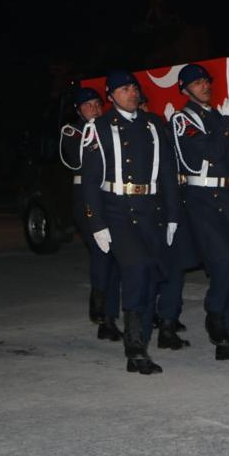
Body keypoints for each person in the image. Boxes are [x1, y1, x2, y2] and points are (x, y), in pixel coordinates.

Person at [80, 70, 181, 375]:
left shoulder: (153, 125)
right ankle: (135, 348)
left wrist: (174, 215)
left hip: (149, 209)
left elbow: (167, 174)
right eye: (123, 89)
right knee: (136, 268)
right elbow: (90, 181)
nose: (131, 93)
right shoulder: (98, 128)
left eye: (134, 88)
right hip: (117, 210)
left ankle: (141, 339)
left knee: (150, 275)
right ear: (110, 96)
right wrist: (95, 222)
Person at [170, 63, 229, 361]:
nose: (204, 86)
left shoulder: (222, 116)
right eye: (196, 83)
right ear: (184, 90)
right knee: (223, 261)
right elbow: (211, 152)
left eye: (206, 81)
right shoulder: (183, 120)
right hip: (203, 197)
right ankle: (217, 324)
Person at [59, 87, 122, 342]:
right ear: (78, 110)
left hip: (108, 195)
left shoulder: (109, 128)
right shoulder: (73, 132)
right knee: (101, 250)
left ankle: (107, 319)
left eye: (97, 103)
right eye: (87, 105)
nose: (94, 108)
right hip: (85, 196)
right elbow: (77, 162)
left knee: (115, 256)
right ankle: (98, 300)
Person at [138, 91, 194, 351]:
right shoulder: (124, 135)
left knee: (174, 271)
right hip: (145, 211)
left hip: (171, 209)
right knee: (149, 274)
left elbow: (176, 168)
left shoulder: (161, 127)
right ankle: (145, 329)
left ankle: (168, 324)